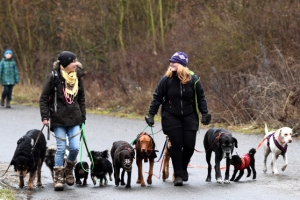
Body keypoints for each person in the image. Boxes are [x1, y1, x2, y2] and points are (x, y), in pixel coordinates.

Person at [145, 51, 211, 186]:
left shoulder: (194, 80)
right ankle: (179, 175)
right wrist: (151, 114)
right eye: (170, 62)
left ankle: (183, 167)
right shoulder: (166, 79)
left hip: (189, 115)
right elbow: (157, 96)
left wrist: (204, 113)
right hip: (171, 115)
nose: (171, 64)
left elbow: (201, 97)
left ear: (182, 65)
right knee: (177, 144)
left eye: (174, 62)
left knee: (189, 146)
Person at [39, 51, 86, 191]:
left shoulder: (77, 77)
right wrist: (45, 117)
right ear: (65, 64)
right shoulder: (53, 77)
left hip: (75, 118)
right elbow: (43, 98)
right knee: (60, 149)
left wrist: (83, 116)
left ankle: (68, 170)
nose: (76, 64)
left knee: (75, 147)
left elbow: (81, 98)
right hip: (58, 118)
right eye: (73, 61)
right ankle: (59, 179)